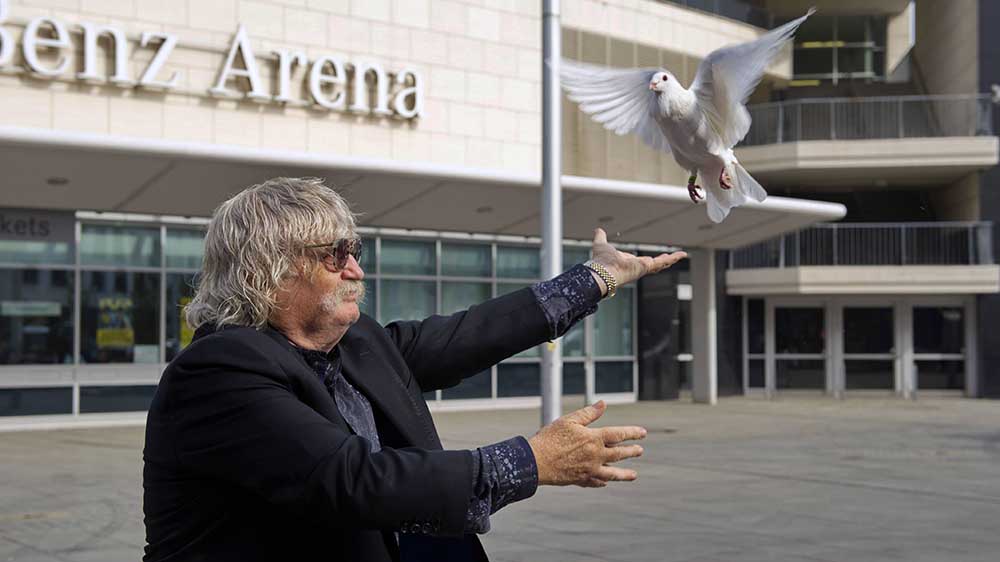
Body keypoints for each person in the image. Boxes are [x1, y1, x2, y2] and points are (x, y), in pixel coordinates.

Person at [142, 177, 686, 562]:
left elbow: (465, 337)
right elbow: (352, 480)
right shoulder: (218, 372)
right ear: (271, 270)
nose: (355, 267)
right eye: (335, 254)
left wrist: (595, 278)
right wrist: (530, 460)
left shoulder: (355, 342)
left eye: (354, 249)